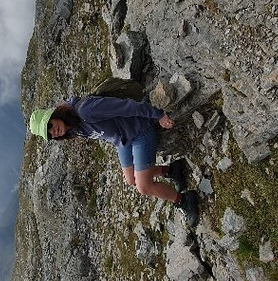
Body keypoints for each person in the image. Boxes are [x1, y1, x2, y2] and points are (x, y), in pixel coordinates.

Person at [29, 95, 200, 225]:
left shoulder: (86, 111)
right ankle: (172, 170)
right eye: (50, 135)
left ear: (53, 115)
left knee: (144, 187)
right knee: (131, 179)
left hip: (139, 131)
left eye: (49, 126)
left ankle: (184, 200)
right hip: (122, 140)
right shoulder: (71, 128)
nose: (54, 132)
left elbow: (126, 107)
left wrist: (158, 115)